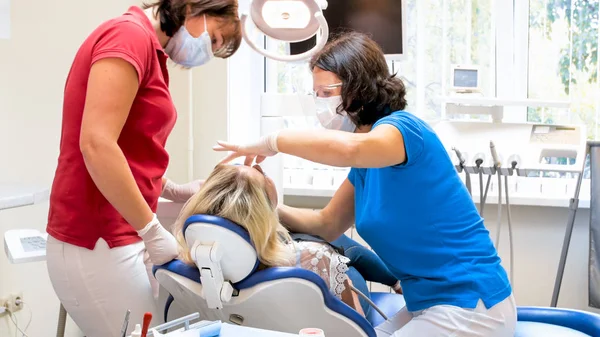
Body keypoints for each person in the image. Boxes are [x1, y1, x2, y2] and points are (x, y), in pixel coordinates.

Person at [213, 31, 517, 337]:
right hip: (425, 303)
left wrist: (272, 142)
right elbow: (327, 223)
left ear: (358, 89)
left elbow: (349, 150)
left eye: (326, 93)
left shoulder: (403, 131)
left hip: (471, 304)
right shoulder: (366, 164)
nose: (320, 105)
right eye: (315, 94)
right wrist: (263, 204)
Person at [45, 1, 241, 336]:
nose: (206, 54)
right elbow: (96, 145)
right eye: (212, 40)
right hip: (98, 238)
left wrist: (170, 188)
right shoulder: (128, 37)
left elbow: (127, 148)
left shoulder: (149, 49)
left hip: (116, 235)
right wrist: (151, 230)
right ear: (195, 7)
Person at [172, 164, 364, 315]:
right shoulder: (314, 256)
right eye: (262, 176)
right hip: (335, 278)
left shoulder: (195, 261)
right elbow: (356, 326)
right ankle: (395, 282)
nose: (257, 167)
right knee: (350, 254)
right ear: (261, 212)